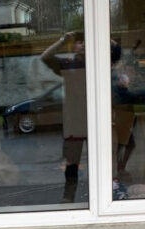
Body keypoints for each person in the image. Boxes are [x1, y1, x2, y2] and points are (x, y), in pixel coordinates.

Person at [41, 31, 87, 203]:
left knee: (102, 158)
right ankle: (69, 196)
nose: (83, 45)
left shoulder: (99, 62)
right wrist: (63, 40)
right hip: (74, 120)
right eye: (80, 42)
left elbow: (117, 51)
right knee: (72, 162)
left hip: (96, 118)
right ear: (74, 46)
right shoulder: (68, 64)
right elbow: (45, 57)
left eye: (87, 42)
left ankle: (103, 197)